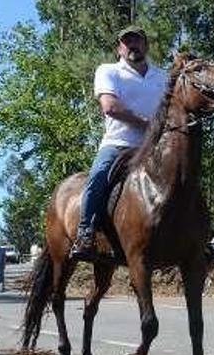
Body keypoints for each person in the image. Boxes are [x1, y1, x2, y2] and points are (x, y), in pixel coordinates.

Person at [71, 26, 168, 261]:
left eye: (137, 40)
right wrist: (147, 124)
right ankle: (86, 232)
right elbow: (110, 107)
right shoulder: (109, 71)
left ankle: (196, 238)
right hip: (119, 143)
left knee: (186, 176)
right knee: (98, 176)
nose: (132, 45)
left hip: (156, 147)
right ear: (119, 48)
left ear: (146, 46)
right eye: (127, 42)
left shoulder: (163, 77)